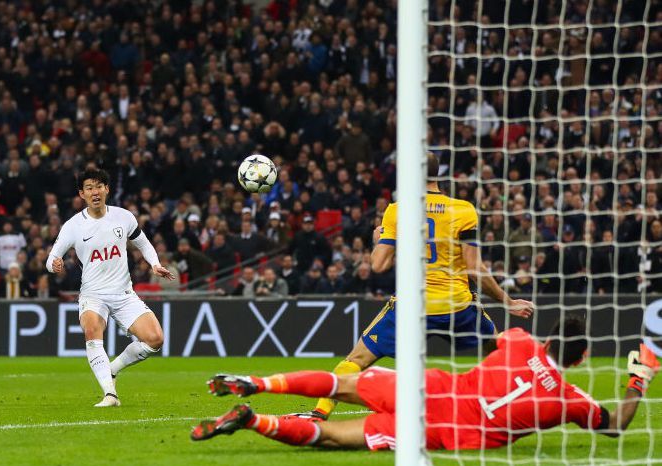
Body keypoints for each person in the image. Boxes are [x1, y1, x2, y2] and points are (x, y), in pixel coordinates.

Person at [192, 317, 659, 451]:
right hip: (450, 432)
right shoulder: (571, 399)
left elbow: (496, 334)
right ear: (580, 360)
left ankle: (260, 382)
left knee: (341, 384)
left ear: (552, 340)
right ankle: (255, 421)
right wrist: (639, 379)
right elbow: (616, 424)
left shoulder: (520, 341)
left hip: (433, 388)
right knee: (334, 437)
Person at [301, 154, 535, 421]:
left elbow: (377, 266)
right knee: (498, 350)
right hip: (457, 306)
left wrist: (379, 239)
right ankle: (522, 402)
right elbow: (474, 268)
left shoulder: (397, 210)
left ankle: (319, 414)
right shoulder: (464, 210)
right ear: (439, 174)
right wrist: (508, 301)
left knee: (358, 358)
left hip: (413, 307)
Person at [47, 168, 174, 407]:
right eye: (89, 188)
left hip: (124, 293)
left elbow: (143, 243)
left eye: (98, 186)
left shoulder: (124, 217)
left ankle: (112, 369)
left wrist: (155, 264)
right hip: (93, 294)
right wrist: (54, 265)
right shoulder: (73, 226)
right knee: (92, 329)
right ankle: (110, 394)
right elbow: (51, 258)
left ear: (107, 189)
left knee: (155, 339)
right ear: (81, 194)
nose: (95, 192)